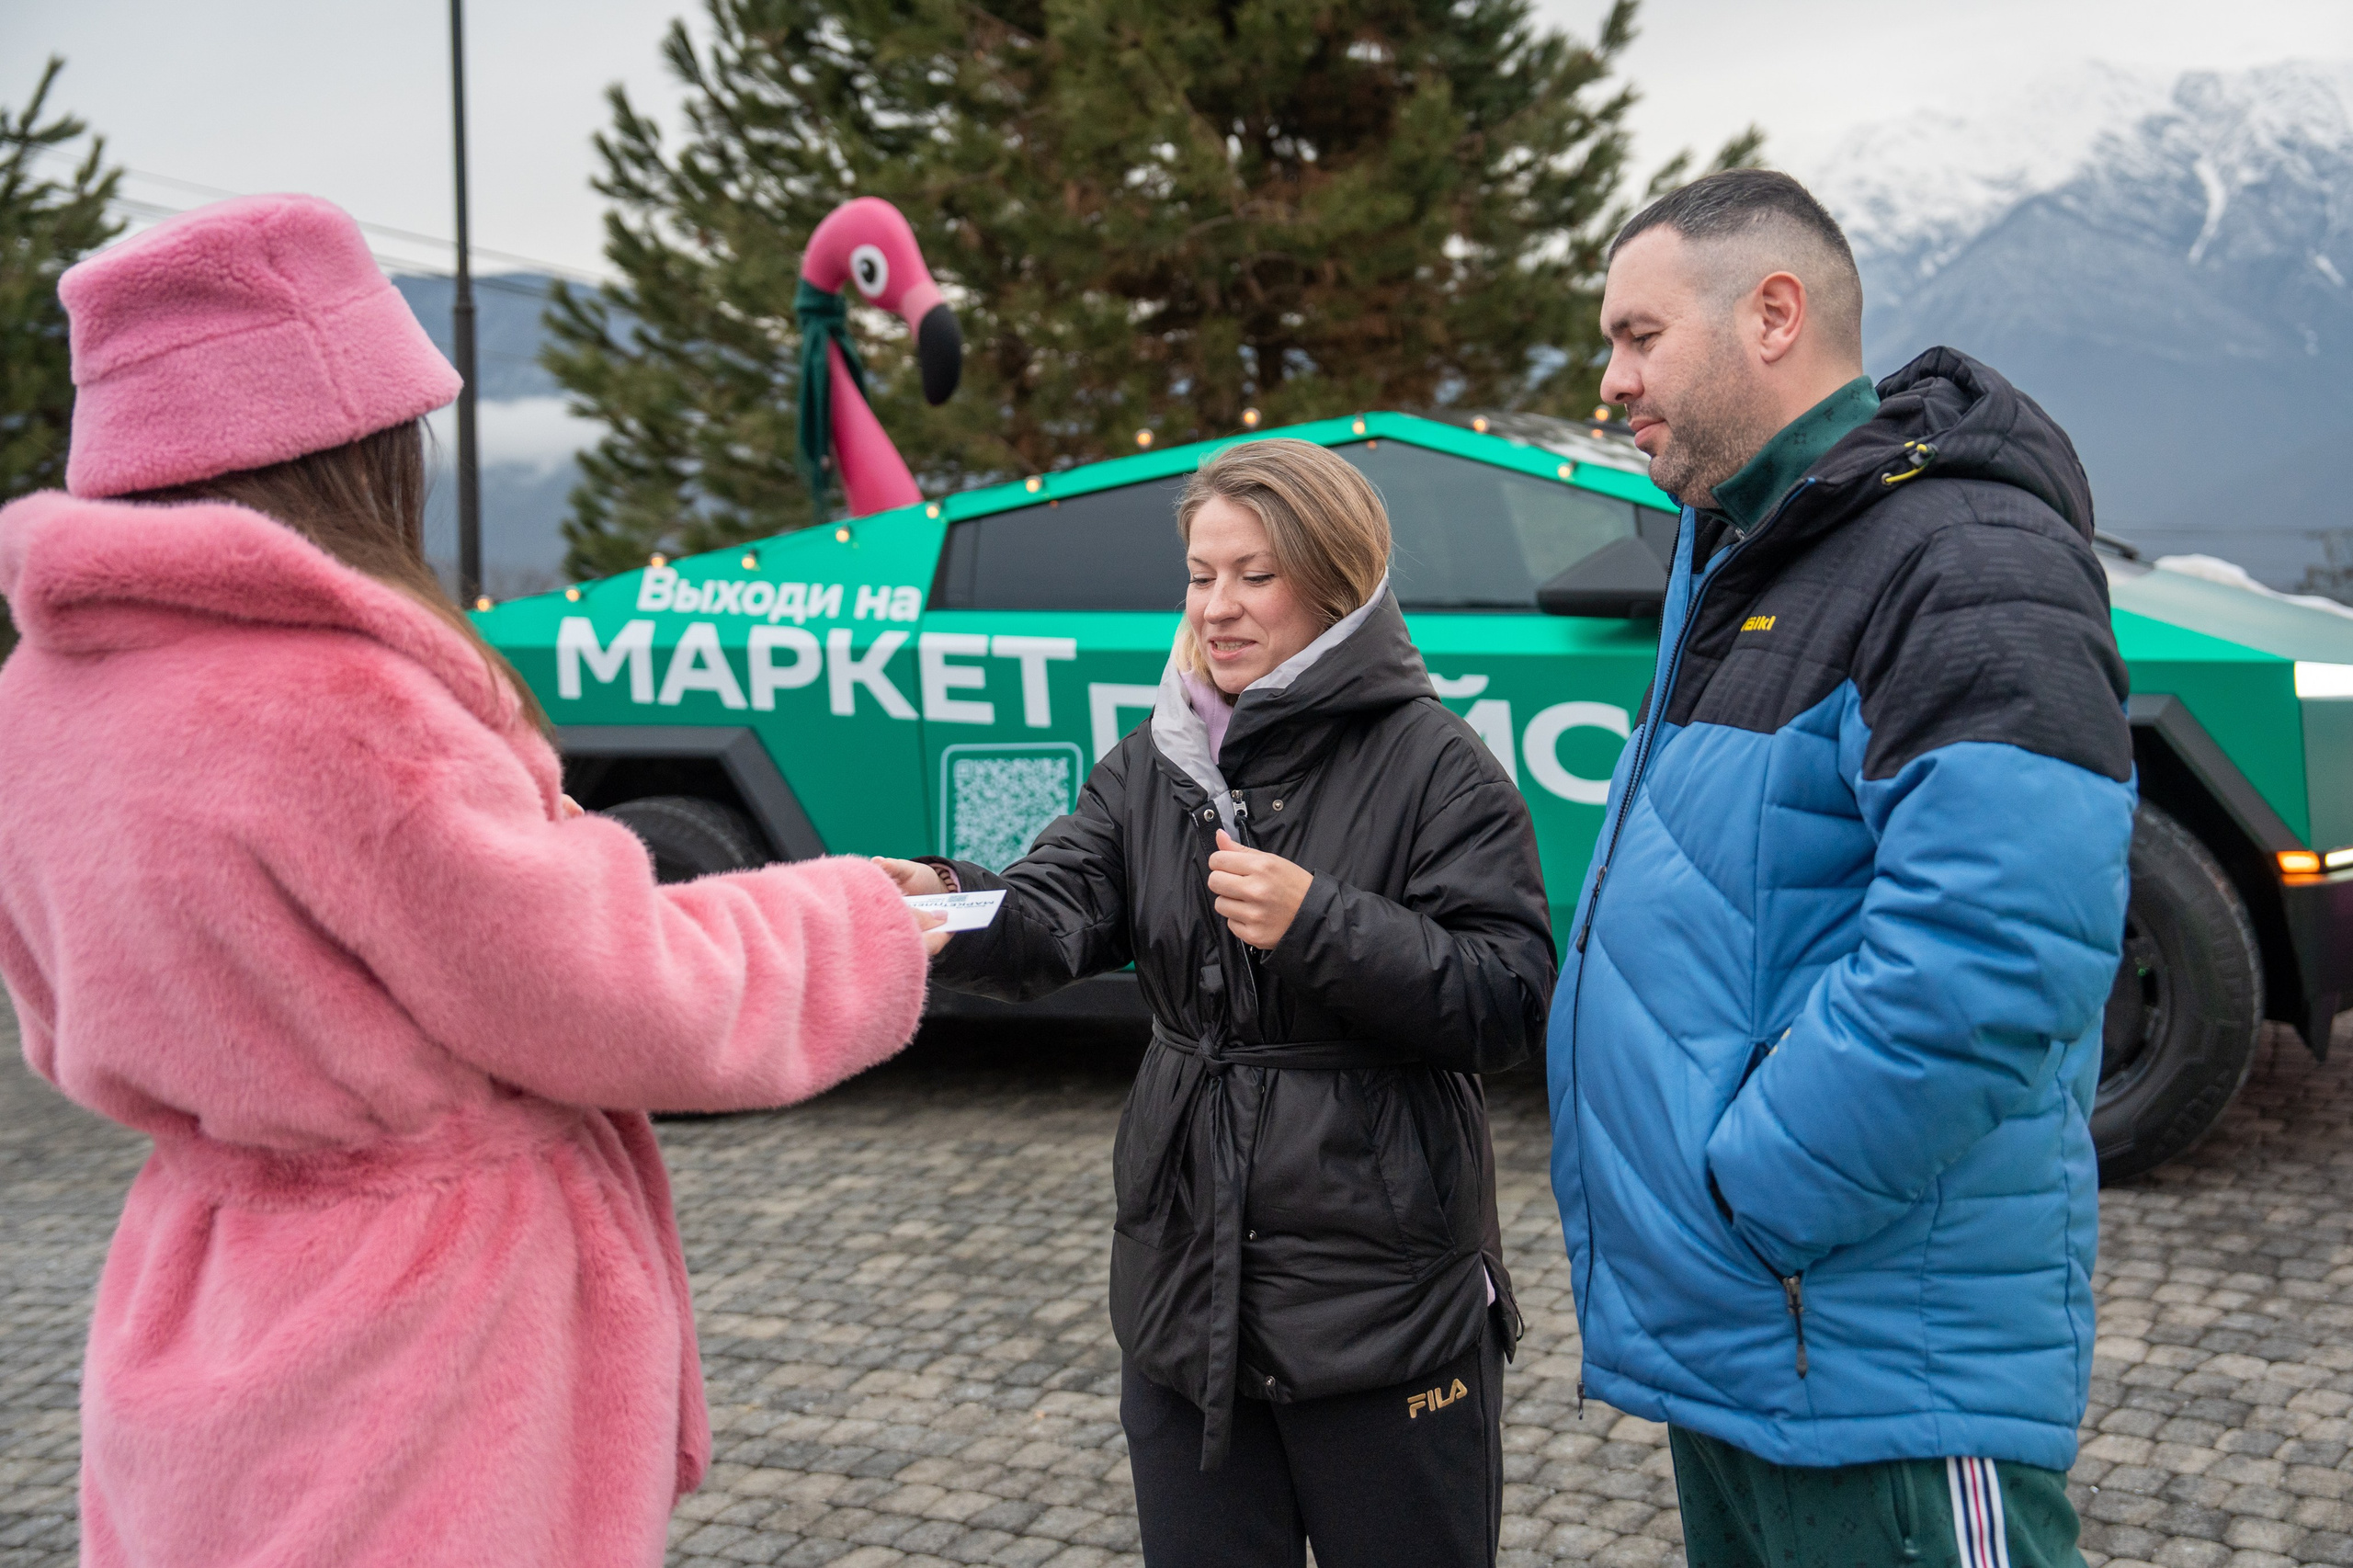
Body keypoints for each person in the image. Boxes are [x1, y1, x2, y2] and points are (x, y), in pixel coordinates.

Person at [0, 194, 948, 1568]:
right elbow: (621, 995)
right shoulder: (343, 708)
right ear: (359, 436)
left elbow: (56, 1019)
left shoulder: (38, 701)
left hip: (195, 1304)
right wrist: (872, 916)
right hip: (419, 1350)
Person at [1548, 167, 2134, 1567]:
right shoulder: (1749, 552)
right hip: (1759, 1345)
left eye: (1638, 338)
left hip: (1876, 1366)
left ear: (1772, 313)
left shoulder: (1964, 552)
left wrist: (1753, 1192)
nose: (1610, 384)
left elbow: (1997, 956)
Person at [876, 437, 1555, 1568]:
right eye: (1202, 575)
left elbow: (1508, 997)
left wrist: (1320, 923)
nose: (1220, 607)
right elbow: (1055, 912)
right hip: (1186, 1302)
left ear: (1337, 582)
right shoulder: (1156, 759)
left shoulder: (1438, 762)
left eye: (1257, 574)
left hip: (1383, 1309)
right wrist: (944, 900)